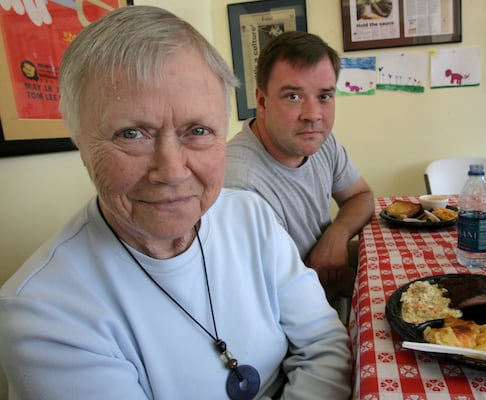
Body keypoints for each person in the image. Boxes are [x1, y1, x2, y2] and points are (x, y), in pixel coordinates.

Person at [0, 6, 351, 400]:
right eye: (131, 133)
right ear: (81, 142)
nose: (171, 170)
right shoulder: (44, 315)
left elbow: (326, 345)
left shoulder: (249, 216)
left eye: (197, 130)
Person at [224, 31, 374, 306]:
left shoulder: (319, 141)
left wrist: (336, 235)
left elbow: (361, 196)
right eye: (293, 96)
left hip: (326, 301)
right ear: (261, 100)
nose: (313, 114)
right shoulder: (239, 183)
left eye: (325, 96)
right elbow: (272, 298)